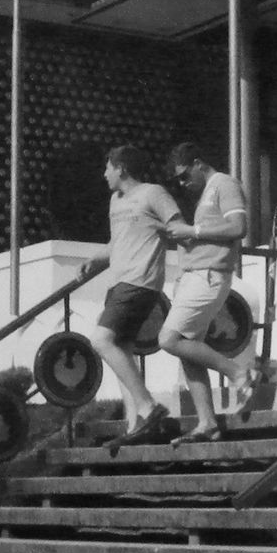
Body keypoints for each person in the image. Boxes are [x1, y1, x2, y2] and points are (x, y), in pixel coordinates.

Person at [80, 144, 183, 445]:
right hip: (118, 282)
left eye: (108, 167)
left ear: (121, 168)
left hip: (140, 283)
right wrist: (95, 260)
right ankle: (135, 423)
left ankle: (149, 407)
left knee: (100, 340)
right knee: (121, 348)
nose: (104, 174)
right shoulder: (116, 201)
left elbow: (177, 228)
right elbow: (117, 242)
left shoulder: (153, 194)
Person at [156, 141, 257, 444]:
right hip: (195, 276)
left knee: (169, 339)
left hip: (210, 276)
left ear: (199, 163)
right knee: (189, 351)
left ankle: (239, 373)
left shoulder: (223, 184)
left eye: (185, 175)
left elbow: (239, 227)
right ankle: (207, 422)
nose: (183, 184)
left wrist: (192, 232)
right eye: (178, 181)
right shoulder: (205, 195)